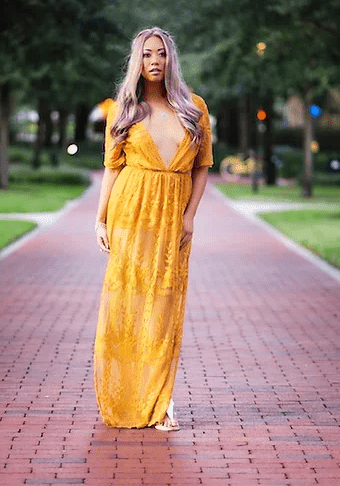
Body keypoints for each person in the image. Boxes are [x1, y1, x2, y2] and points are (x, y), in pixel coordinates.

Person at [93, 27, 213, 431]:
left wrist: (189, 216)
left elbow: (201, 169)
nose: (154, 61)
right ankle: (129, 396)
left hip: (173, 220)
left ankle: (160, 400)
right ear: (137, 61)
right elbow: (112, 169)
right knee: (128, 307)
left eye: (160, 54)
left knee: (163, 309)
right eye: (147, 55)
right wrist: (101, 218)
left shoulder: (194, 108)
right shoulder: (124, 109)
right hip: (131, 213)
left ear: (170, 59)